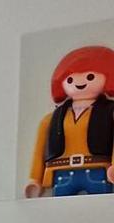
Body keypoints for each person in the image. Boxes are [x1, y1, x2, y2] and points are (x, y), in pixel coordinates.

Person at [25, 45, 114, 197]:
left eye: (90, 77)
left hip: (97, 170)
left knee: (102, 208)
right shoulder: (51, 118)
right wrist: (34, 178)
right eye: (70, 79)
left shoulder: (109, 112)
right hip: (62, 173)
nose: (79, 82)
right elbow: (39, 149)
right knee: (59, 209)